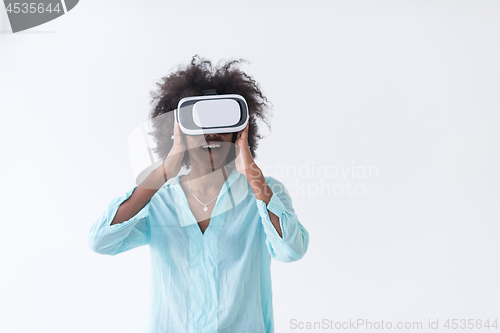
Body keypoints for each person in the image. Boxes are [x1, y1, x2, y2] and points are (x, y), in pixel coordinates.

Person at [87, 56, 309, 333]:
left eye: (221, 124)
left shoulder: (264, 190)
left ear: (238, 131)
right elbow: (100, 241)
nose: (211, 134)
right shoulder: (159, 199)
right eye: (199, 125)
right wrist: (163, 173)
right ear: (177, 131)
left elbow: (291, 250)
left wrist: (253, 174)